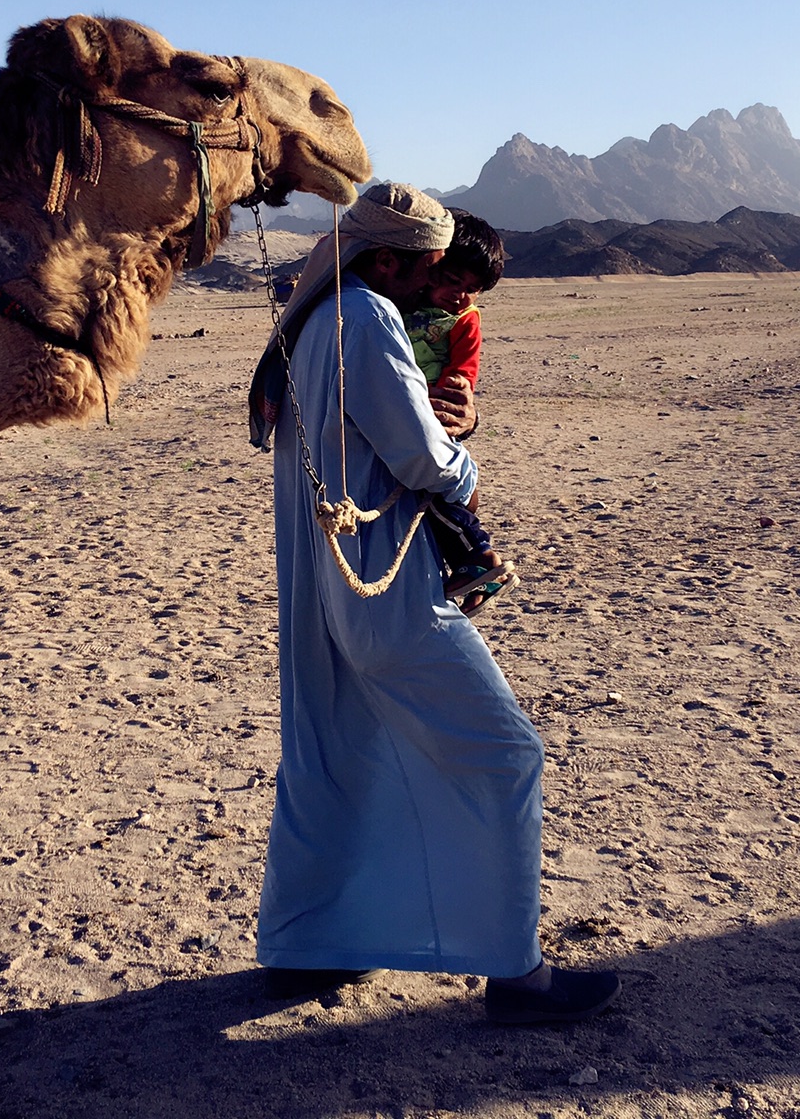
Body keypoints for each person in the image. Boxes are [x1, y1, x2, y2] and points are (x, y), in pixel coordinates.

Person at [246, 182, 619, 1021]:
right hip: (384, 578)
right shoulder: (367, 315)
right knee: (504, 753)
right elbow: (420, 457)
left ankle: (308, 946)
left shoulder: (308, 320)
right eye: (425, 268)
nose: (435, 284)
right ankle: (516, 975)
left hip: (321, 581)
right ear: (385, 261)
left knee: (333, 751)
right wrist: (464, 462)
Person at [403, 210, 515, 612]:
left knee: (429, 493)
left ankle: (478, 557)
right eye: (453, 281)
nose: (460, 295)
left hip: (433, 414)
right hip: (409, 408)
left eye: (473, 289)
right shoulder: (403, 302)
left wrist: (447, 401)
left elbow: (463, 374)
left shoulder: (464, 322)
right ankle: (473, 571)